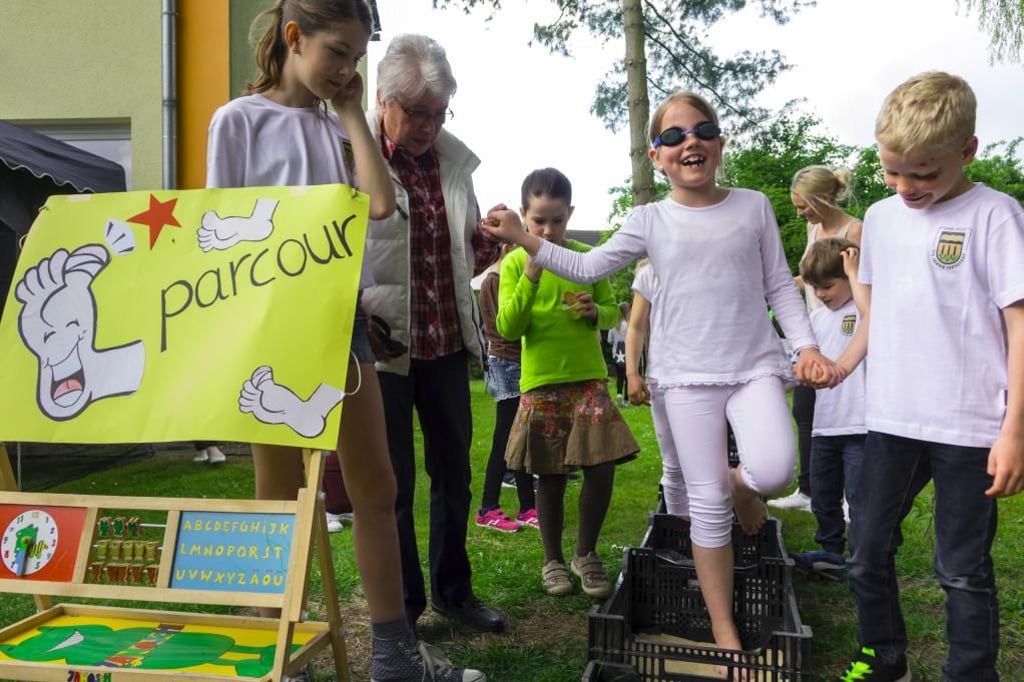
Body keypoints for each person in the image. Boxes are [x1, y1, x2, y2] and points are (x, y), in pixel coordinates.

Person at [483, 91, 839, 661]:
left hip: (752, 366)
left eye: (701, 131)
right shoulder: (649, 218)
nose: (688, 142)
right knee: (703, 506)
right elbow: (588, 265)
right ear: (657, 155)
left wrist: (806, 347)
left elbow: (778, 285)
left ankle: (739, 484)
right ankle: (726, 632)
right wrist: (523, 237)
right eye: (673, 136)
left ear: (718, 143)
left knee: (773, 471)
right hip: (686, 378)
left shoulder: (752, 206)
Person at [205, 4, 485, 681]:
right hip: (269, 325)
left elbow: (381, 205)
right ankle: (279, 652)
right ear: (294, 38)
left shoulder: (338, 126)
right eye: (338, 52)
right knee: (277, 489)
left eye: (359, 57)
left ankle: (394, 654)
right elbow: (218, 224)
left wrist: (356, 113)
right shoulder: (237, 120)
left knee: (375, 483)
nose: (347, 69)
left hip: (344, 323)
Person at [821, 71, 1024, 682]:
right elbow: (876, 317)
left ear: (967, 151)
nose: (905, 186)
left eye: (923, 173)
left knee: (961, 569)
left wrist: (1014, 429)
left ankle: (970, 674)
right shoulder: (879, 219)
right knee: (864, 554)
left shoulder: (996, 216)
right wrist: (842, 365)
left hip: (970, 425)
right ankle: (884, 662)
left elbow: (1019, 326)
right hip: (888, 420)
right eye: (892, 171)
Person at [360, 33, 504, 634]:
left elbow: (459, 248)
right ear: (382, 99)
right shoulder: (350, 155)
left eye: (437, 112)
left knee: (453, 475)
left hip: (445, 344)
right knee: (388, 484)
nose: (426, 125)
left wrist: (486, 239)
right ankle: (408, 606)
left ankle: (453, 591)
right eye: (415, 112)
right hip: (384, 352)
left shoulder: (454, 162)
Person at [494, 167, 638, 598]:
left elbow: (616, 312)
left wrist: (596, 312)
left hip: (588, 379)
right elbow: (507, 326)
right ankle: (552, 560)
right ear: (523, 216)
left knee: (601, 466)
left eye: (557, 220)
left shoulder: (584, 258)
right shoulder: (515, 261)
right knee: (550, 474)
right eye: (539, 221)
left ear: (570, 214)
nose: (548, 229)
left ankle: (585, 553)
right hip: (542, 382)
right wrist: (532, 275)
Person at [769, 165, 863, 514]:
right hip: (814, 330)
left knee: (846, 413)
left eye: (804, 205)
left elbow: (861, 282)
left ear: (824, 197)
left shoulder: (856, 230)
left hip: (847, 331)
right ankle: (810, 489)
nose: (800, 212)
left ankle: (848, 496)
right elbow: (811, 278)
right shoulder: (813, 228)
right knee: (806, 410)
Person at [787, 237, 866, 582]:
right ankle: (830, 553)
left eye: (828, 284)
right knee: (822, 495)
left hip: (861, 426)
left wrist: (857, 272)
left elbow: (873, 313)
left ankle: (865, 558)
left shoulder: (866, 312)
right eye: (814, 287)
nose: (820, 293)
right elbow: (797, 361)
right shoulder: (816, 321)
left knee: (861, 500)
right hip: (825, 427)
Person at [475, 244, 538, 533]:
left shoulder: (500, 277)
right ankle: (488, 507)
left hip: (516, 361)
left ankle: (527, 506)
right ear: (504, 248)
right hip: (507, 362)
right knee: (505, 438)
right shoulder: (495, 280)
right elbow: (506, 324)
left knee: (521, 437)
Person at [606, 302, 630, 406]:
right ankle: (626, 399)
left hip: (617, 354)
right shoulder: (629, 325)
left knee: (619, 376)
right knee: (627, 376)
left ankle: (619, 393)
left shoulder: (613, 326)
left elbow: (609, 340)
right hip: (628, 353)